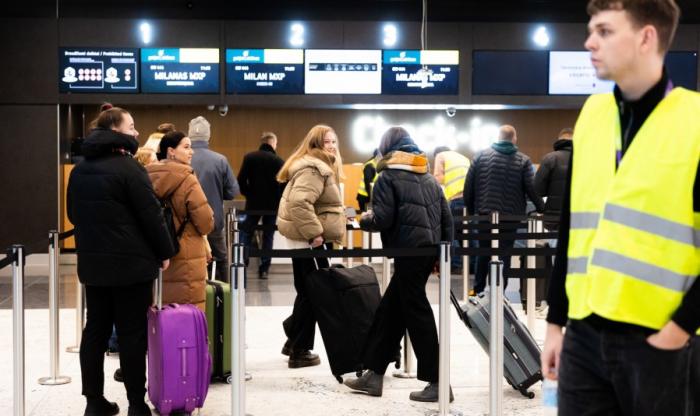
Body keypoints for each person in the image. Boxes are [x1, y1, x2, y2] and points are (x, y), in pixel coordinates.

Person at [541, 1, 700, 415]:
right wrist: (556, 323)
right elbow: (571, 226)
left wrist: (679, 329)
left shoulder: (694, 122)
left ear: (646, 37)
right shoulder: (594, 114)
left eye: (605, 31)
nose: (589, 42)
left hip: (659, 339)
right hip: (584, 336)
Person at [67, 107, 176, 416]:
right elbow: (151, 216)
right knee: (131, 334)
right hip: (132, 267)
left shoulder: (80, 170)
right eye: (131, 126)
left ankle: (93, 402)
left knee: (95, 331)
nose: (136, 132)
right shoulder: (130, 169)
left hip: (94, 265)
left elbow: (74, 215)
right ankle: (136, 405)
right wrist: (165, 251)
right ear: (115, 130)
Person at [343, 127, 453, 402]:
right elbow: (446, 217)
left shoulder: (387, 177)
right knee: (390, 310)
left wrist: (361, 220)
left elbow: (383, 218)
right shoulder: (427, 177)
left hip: (407, 249)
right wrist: (443, 254)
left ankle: (439, 382)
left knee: (417, 312)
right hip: (427, 251)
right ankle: (374, 374)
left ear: (387, 149)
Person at [276, 124, 346, 368]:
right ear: (316, 145)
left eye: (334, 141)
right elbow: (299, 203)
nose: (333, 146)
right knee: (314, 291)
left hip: (305, 238)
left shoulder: (317, 165)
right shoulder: (314, 168)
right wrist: (314, 232)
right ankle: (299, 350)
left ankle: (294, 338)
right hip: (307, 239)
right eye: (327, 142)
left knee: (309, 290)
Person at [463, 125, 544, 296]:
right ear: (514, 139)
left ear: (498, 137)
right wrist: (542, 208)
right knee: (505, 254)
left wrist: (472, 212)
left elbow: (468, 188)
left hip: (484, 215)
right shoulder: (523, 160)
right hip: (510, 217)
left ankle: (478, 291)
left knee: (483, 253)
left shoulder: (480, 157)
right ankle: (499, 292)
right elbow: (532, 189)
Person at [148, 131, 215, 311]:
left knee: (159, 310)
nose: (191, 151)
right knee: (186, 315)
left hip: (156, 254)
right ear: (171, 151)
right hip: (187, 257)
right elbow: (205, 222)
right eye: (186, 147)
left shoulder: (146, 176)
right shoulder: (187, 179)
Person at [189, 116, 240, 282]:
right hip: (213, 221)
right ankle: (224, 301)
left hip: (186, 223)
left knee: (189, 262)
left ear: (189, 135)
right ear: (208, 136)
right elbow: (233, 192)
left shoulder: (181, 159)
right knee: (221, 259)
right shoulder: (220, 160)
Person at [237, 131, 285, 279]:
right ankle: (264, 269)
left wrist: (248, 194)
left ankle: (242, 263)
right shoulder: (279, 161)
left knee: (246, 232)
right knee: (268, 236)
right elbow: (283, 186)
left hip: (253, 204)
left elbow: (240, 180)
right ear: (273, 143)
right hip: (272, 206)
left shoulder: (250, 158)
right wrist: (277, 199)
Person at [433, 145, 471, 273]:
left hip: (456, 198)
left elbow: (438, 178)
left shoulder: (440, 155)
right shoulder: (464, 158)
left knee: (450, 231)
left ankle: (455, 264)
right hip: (470, 200)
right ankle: (472, 265)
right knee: (468, 234)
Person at [534, 128, 573, 235]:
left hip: (553, 218)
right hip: (577, 217)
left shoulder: (549, 158)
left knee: (553, 248)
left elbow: (537, 189)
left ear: (559, 140)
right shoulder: (584, 159)